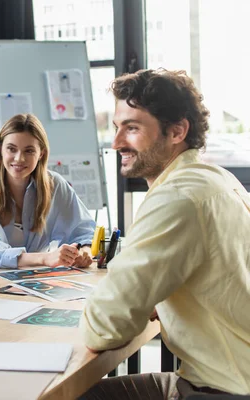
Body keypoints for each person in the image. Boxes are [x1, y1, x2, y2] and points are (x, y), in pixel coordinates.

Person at [80, 69, 250, 399]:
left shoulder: (177, 197)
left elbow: (105, 326)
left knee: (67, 394)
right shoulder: (217, 180)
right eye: (116, 128)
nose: (116, 143)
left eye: (132, 128)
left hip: (222, 389)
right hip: (229, 375)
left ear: (176, 131)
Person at [0, 113, 96, 273]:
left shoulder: (56, 185)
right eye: (11, 149)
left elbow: (83, 232)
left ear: (41, 154)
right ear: (0, 149)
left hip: (39, 278)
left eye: (29, 151)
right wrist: (44, 258)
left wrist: (84, 252)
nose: (19, 159)